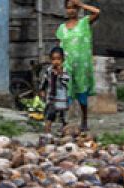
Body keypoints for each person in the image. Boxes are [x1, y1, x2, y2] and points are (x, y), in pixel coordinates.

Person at [55, 0, 100, 133]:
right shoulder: (62, 28)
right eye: (68, 8)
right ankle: (64, 122)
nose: (71, 10)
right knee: (65, 94)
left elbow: (97, 12)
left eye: (74, 8)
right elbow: (59, 48)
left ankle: (84, 121)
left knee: (82, 95)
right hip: (67, 65)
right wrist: (57, 65)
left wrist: (81, 4)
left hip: (82, 67)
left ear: (78, 9)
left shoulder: (84, 23)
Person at [38, 46, 72, 134]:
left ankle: (65, 129)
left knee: (63, 114)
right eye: (53, 59)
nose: (56, 61)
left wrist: (60, 74)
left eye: (58, 59)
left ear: (63, 60)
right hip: (51, 95)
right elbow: (44, 81)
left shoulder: (65, 70)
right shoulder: (49, 70)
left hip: (61, 96)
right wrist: (42, 90)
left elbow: (67, 81)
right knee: (50, 112)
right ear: (50, 60)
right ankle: (47, 128)